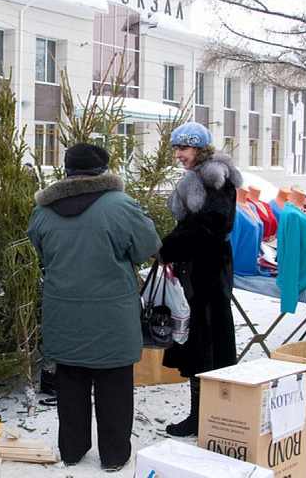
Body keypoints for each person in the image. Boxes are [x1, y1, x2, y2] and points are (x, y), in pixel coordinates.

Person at [26, 142, 160, 471]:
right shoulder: (121, 205)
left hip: (63, 312)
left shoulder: (43, 210)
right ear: (102, 170)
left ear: (67, 170)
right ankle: (114, 456)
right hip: (112, 315)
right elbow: (146, 248)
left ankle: (72, 450)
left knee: (70, 381)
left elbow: (42, 252)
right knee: (114, 384)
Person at [157, 122, 241, 437]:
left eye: (183, 149)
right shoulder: (200, 179)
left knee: (207, 344)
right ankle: (202, 414)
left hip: (208, 276)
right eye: (176, 149)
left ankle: (204, 416)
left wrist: (166, 246)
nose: (178, 155)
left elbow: (211, 229)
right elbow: (195, 226)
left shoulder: (215, 182)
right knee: (199, 342)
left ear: (199, 149)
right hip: (199, 273)